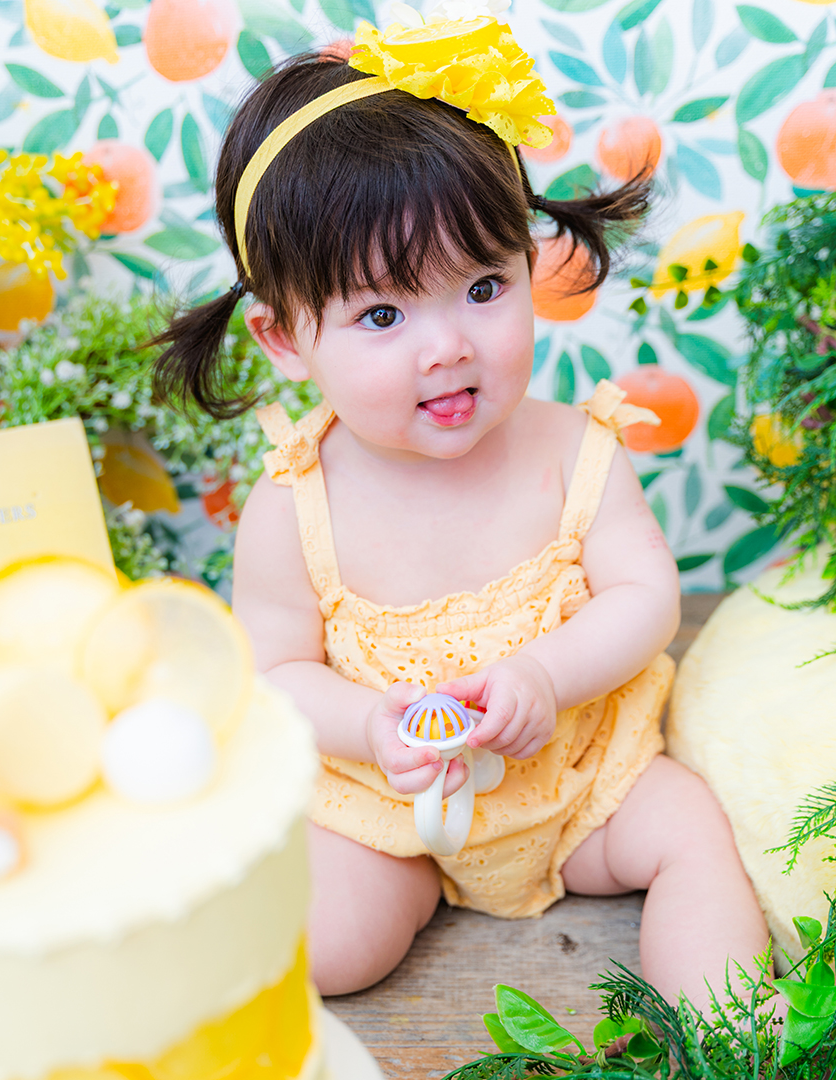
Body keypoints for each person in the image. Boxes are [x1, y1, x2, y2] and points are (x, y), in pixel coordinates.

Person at [152, 8, 771, 1007]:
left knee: (693, 833)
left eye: (483, 287)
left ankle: (731, 1026)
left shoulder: (574, 450)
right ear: (285, 338)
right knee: (329, 949)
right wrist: (370, 725)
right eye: (383, 313)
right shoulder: (295, 504)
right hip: (387, 807)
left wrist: (547, 674)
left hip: (582, 780)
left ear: (529, 266)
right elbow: (273, 674)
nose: (447, 347)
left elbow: (647, 597)